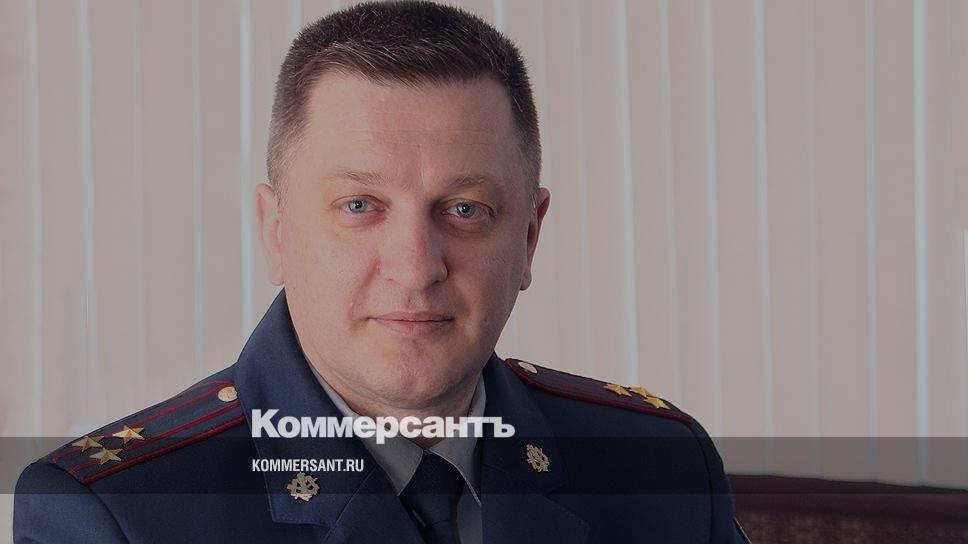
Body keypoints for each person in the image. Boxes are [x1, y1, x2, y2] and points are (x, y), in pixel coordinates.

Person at [14, 1, 750, 542]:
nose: (415, 266)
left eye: (464, 209)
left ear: (529, 237)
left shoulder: (660, 468)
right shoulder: (117, 514)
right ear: (276, 231)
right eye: (360, 205)